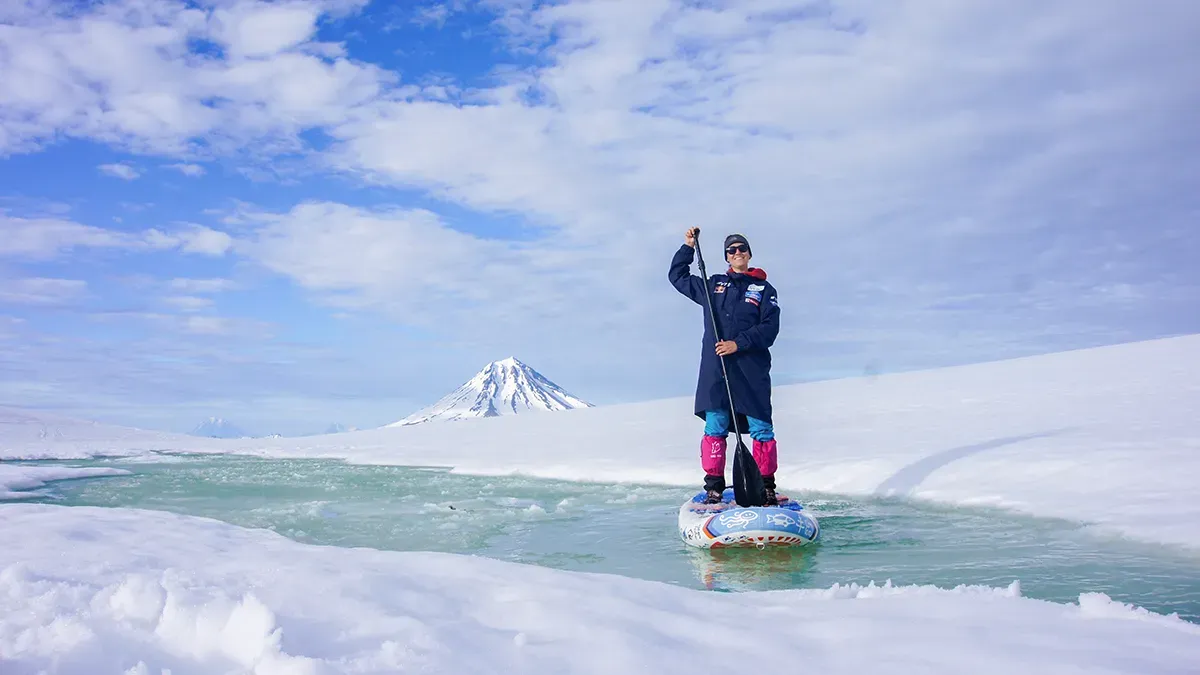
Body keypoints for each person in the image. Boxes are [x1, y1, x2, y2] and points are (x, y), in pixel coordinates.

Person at [669, 227, 781, 505]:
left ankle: (766, 486)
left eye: (742, 248)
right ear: (726, 257)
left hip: (751, 371)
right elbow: (678, 277)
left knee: (761, 429)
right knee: (715, 426)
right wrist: (688, 247)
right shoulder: (712, 285)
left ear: (749, 253)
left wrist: (738, 343)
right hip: (716, 371)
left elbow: (770, 329)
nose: (737, 253)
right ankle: (714, 488)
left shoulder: (764, 289)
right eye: (731, 250)